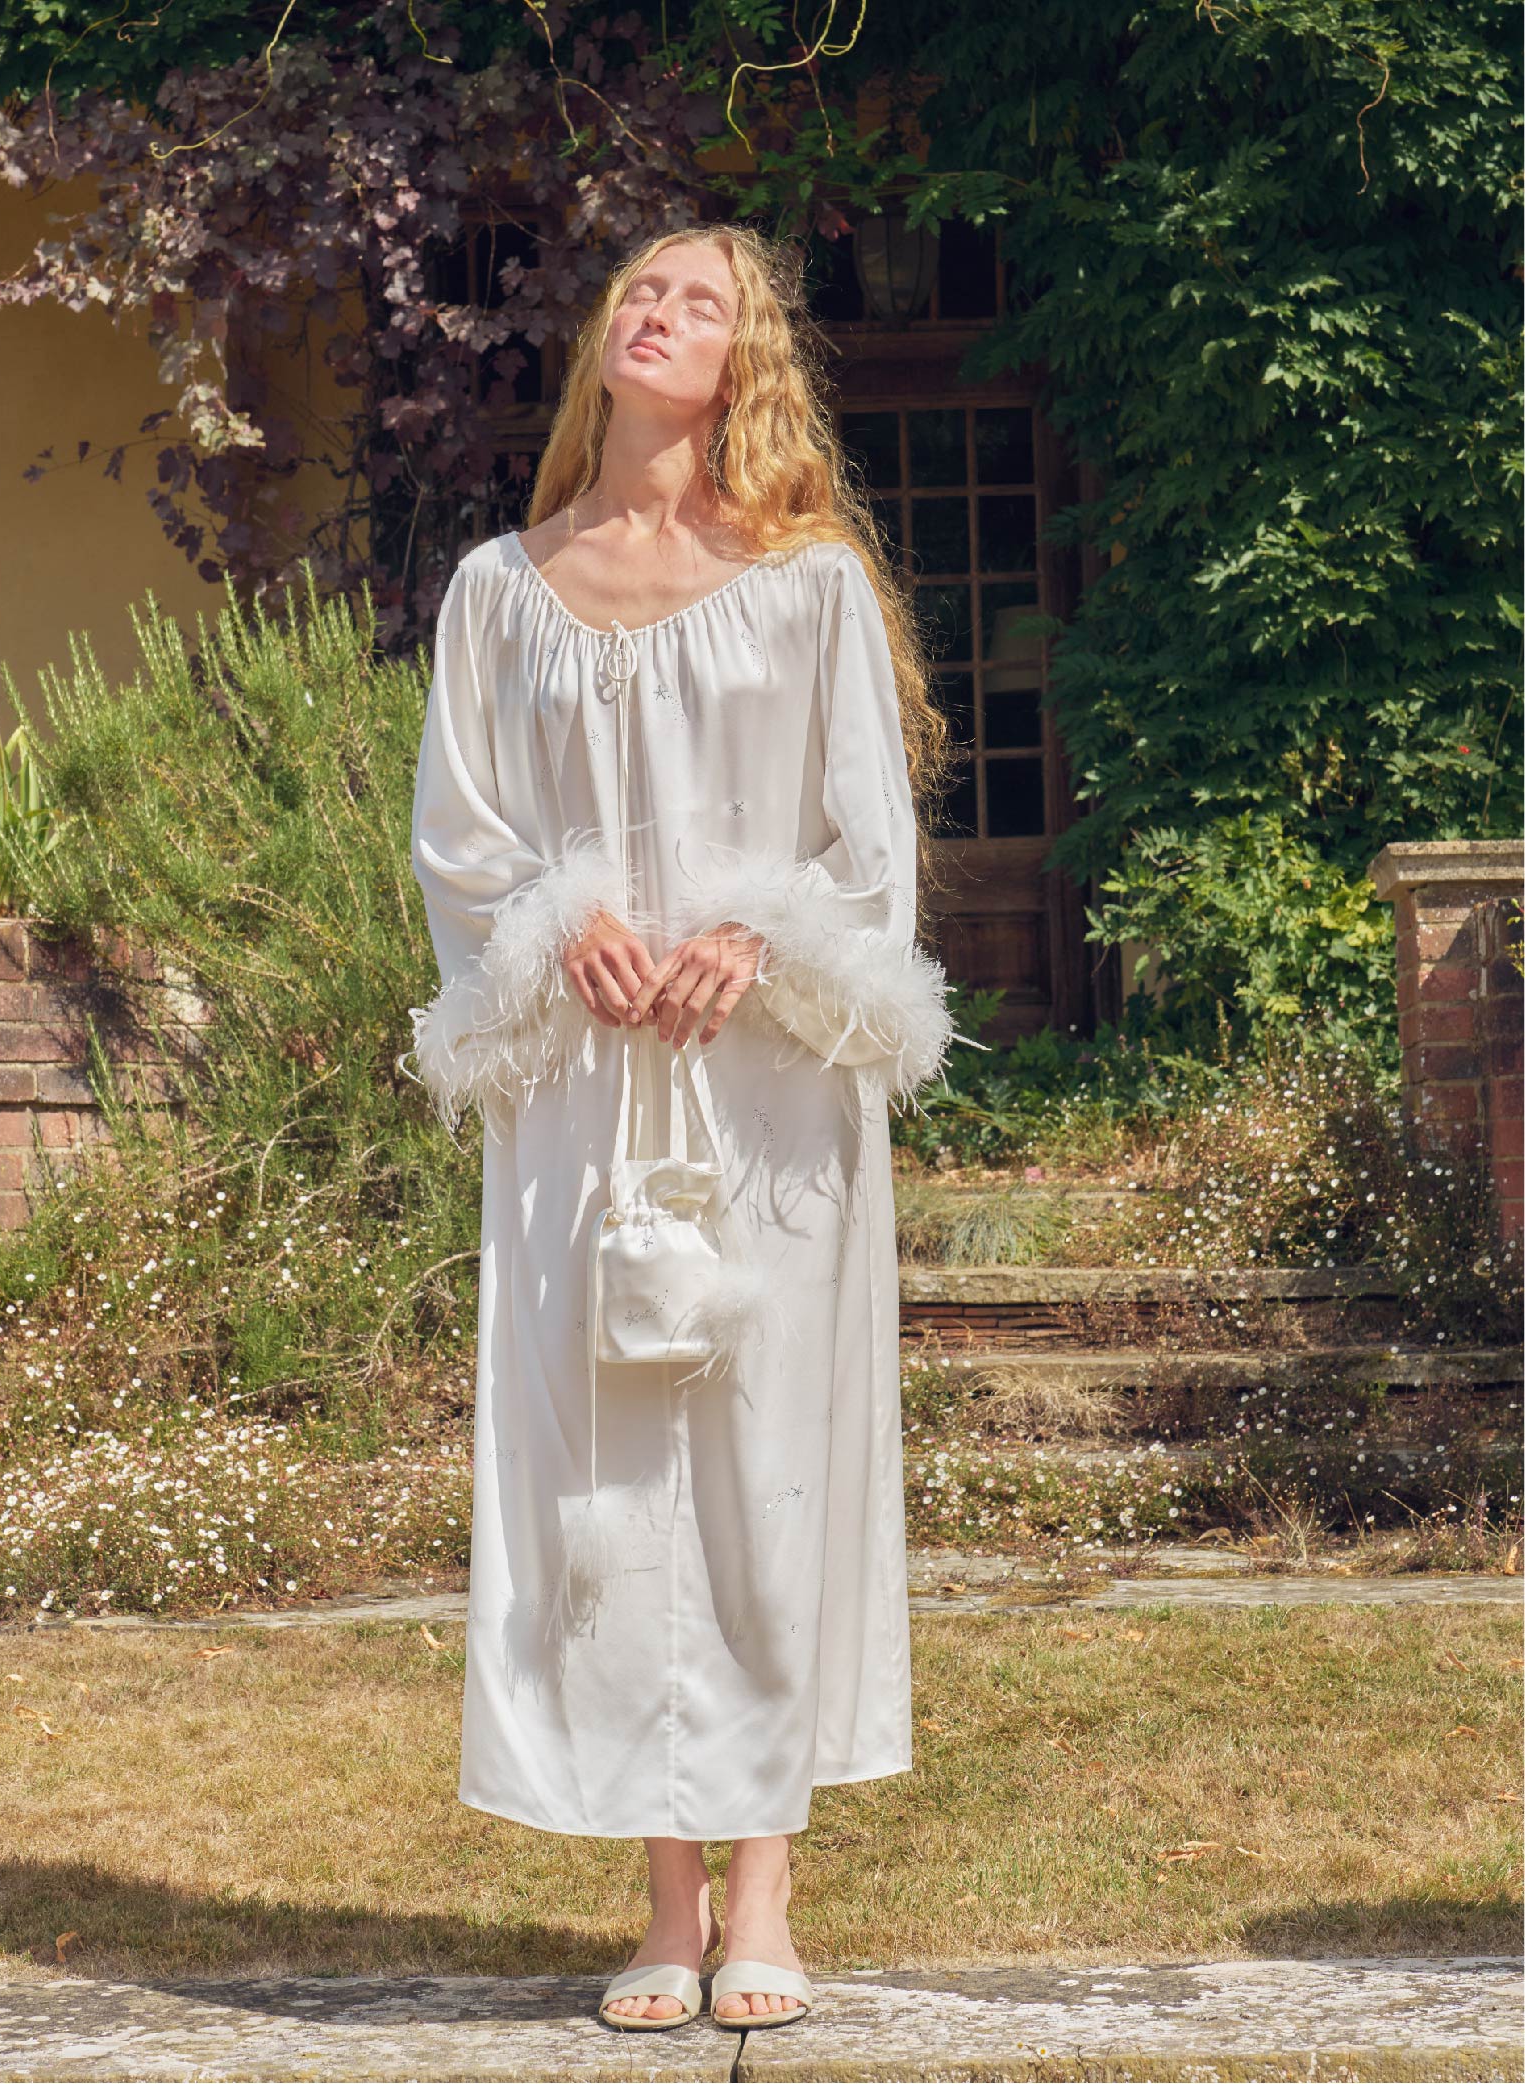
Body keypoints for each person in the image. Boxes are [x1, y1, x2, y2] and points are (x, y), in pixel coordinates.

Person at [404, 220, 958, 2033]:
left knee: (765, 1466)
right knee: (609, 1472)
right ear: (605, 343)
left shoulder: (804, 586)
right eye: (642, 290)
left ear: (747, 361)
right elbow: (463, 846)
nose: (661, 312)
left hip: (769, 1087)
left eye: (701, 300)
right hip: (582, 1083)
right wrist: (567, 932)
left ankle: (769, 1896)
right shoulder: (502, 587)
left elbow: (866, 850)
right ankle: (660, 1899)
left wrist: (756, 934)